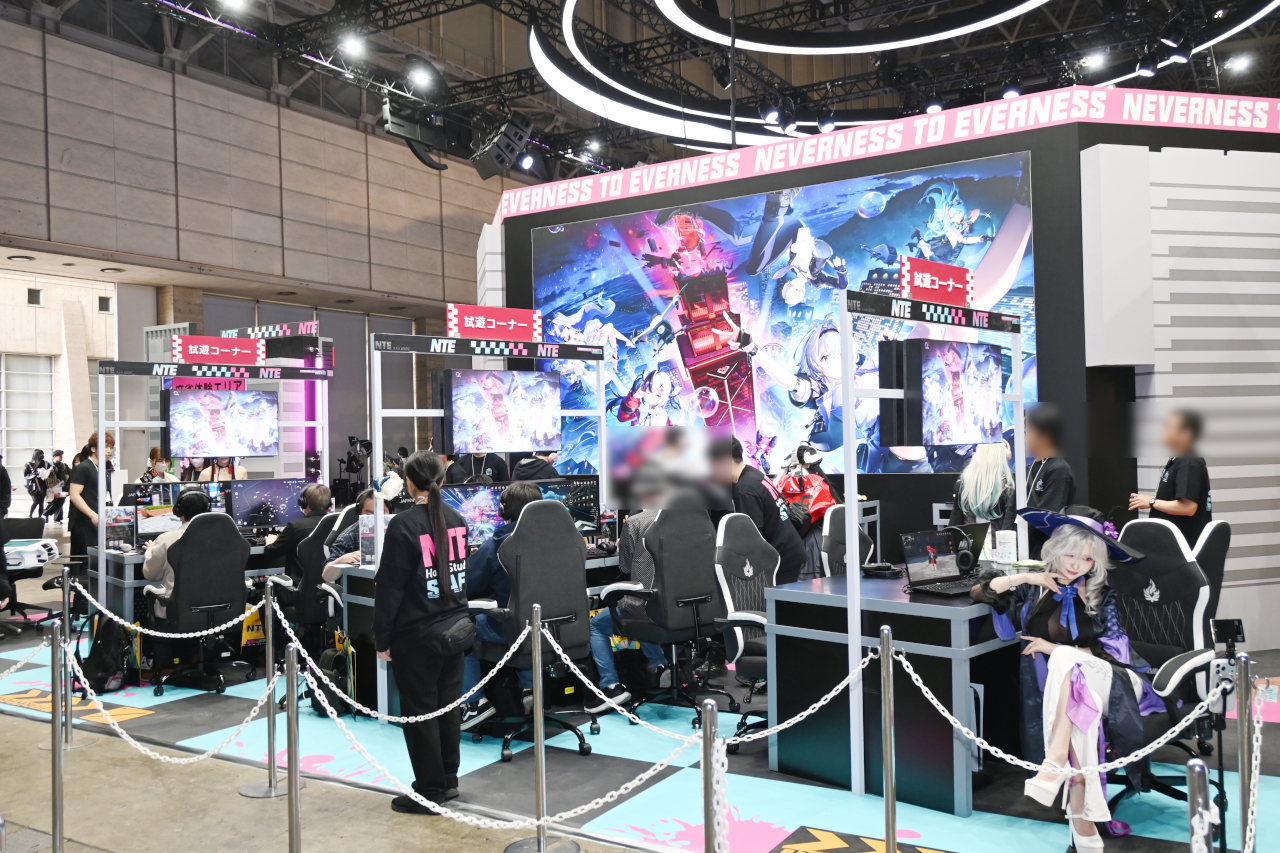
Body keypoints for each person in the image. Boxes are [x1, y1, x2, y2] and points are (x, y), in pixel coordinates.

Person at [970, 509, 1147, 852]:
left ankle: (1053, 767)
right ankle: (1083, 820)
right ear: (1054, 551)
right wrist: (1025, 578)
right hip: (1063, 690)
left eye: (1087, 559)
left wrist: (1054, 648)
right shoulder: (1034, 588)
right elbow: (981, 590)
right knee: (1080, 717)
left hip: (1114, 681)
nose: (1077, 565)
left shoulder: (1102, 593)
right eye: (1070, 555)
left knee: (1066, 658)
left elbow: (1115, 652)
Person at [374, 451, 470, 814]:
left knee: (420, 715)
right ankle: (448, 779)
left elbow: (390, 588)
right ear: (442, 480)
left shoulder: (403, 525)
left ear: (409, 483)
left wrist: (382, 638)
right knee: (447, 708)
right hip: (455, 629)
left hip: (416, 636)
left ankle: (429, 790)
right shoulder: (457, 518)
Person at [587, 465, 674, 711]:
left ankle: (610, 686)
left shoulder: (636, 522)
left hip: (649, 605)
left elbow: (625, 566)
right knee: (643, 608)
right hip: (685, 607)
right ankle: (660, 665)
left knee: (598, 624)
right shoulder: (691, 519)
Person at [459, 481, 543, 728]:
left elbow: (467, 587)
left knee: (464, 628)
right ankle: (530, 689)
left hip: (515, 630)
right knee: (525, 616)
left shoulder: (497, 544)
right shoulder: (561, 539)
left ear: (503, 510)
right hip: (556, 627)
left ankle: (474, 703)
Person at [711, 436, 807, 585]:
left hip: (782, 558)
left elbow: (752, 538)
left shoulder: (745, 488)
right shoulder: (754, 474)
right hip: (790, 550)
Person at [1128, 410, 1212, 547]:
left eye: (1168, 426)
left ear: (1187, 433)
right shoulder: (1180, 459)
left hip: (1181, 547)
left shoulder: (1188, 462)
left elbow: (1188, 507)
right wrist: (1151, 501)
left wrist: (1151, 502)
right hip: (1171, 544)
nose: (1163, 431)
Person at [141, 489, 211, 618]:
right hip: (220, 614)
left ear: (178, 511)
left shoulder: (166, 539)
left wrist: (150, 550)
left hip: (177, 614)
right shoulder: (225, 537)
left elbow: (151, 574)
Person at [1025, 405, 1075, 559]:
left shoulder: (1059, 470)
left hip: (1042, 553)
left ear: (1045, 436)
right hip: (1021, 547)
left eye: (1027, 432)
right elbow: (1011, 508)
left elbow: (1046, 517)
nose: (1023, 438)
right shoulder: (1028, 468)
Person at [263, 483, 331, 584]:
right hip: (329, 586)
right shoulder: (337, 523)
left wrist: (269, 542)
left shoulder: (296, 526)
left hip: (299, 586)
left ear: (303, 503)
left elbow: (271, 552)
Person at [949, 441, 1017, 533]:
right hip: (999, 540)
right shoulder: (1007, 486)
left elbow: (955, 521)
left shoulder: (964, 482)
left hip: (970, 539)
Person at [68, 433, 114, 560]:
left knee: (98, 561)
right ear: (93, 448)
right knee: (86, 561)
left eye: (111, 447)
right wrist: (92, 514)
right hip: (84, 523)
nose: (109, 451)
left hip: (99, 522)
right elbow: (74, 495)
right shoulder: (83, 468)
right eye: (105, 447)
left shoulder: (102, 469)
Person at [323, 489, 382, 583]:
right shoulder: (347, 537)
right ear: (359, 513)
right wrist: (342, 560)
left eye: (381, 512)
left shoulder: (399, 531)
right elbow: (327, 576)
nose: (375, 518)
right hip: (362, 586)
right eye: (369, 514)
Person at [23, 450, 50, 518]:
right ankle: (30, 515)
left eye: (42, 454)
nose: (42, 456)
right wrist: (34, 475)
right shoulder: (29, 464)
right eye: (40, 454)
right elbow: (26, 475)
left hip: (43, 485)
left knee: (41, 502)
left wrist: (52, 470)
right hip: (33, 486)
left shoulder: (45, 463)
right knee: (36, 501)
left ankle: (40, 517)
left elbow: (51, 469)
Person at [44, 451, 70, 523]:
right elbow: (44, 475)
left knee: (61, 502)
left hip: (62, 486)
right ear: (55, 456)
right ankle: (45, 513)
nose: (62, 457)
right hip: (51, 486)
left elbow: (70, 472)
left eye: (62, 456)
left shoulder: (64, 465)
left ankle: (57, 519)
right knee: (53, 502)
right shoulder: (48, 465)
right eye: (60, 456)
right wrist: (49, 471)